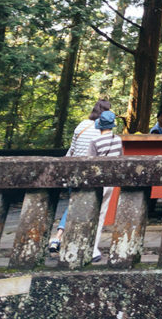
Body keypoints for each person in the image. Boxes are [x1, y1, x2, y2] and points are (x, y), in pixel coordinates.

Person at [49, 97, 111, 254]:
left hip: (73, 169)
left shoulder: (81, 125)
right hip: (90, 173)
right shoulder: (103, 130)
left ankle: (60, 237)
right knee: (83, 207)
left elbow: (71, 149)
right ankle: (61, 237)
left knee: (72, 204)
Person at [88, 109, 123, 262]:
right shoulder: (118, 140)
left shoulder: (95, 142)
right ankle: (94, 247)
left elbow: (89, 163)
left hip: (97, 182)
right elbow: (120, 159)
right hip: (110, 182)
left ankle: (91, 247)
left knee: (91, 213)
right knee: (101, 215)